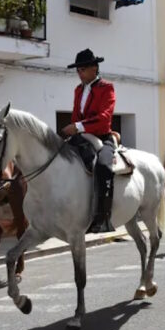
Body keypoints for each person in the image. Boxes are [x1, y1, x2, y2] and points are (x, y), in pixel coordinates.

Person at [62, 49, 117, 233]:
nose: (79, 73)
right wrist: (73, 130)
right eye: (77, 70)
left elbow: (104, 118)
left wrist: (78, 126)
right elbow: (76, 115)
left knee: (103, 167)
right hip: (80, 136)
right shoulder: (78, 90)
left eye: (83, 69)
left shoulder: (106, 88)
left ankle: (103, 217)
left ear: (94, 68)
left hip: (102, 136)